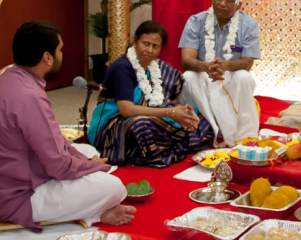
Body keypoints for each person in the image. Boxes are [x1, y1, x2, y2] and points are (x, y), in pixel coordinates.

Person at [0, 21, 133, 231]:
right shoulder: (29, 96)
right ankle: (94, 213)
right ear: (47, 57)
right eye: (60, 50)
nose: (61, 55)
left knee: (85, 150)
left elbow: (52, 143)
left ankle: (90, 208)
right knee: (113, 187)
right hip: (13, 197)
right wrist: (95, 166)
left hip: (2, 180)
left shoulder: (7, 76)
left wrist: (85, 160)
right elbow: (58, 166)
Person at [88, 20, 215, 167]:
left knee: (201, 118)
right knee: (140, 125)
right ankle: (161, 146)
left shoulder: (156, 66)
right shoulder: (122, 68)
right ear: (135, 42)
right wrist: (171, 113)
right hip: (112, 123)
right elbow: (126, 110)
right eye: (145, 43)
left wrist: (182, 111)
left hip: (148, 113)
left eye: (155, 46)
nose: (149, 50)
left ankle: (159, 145)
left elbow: (169, 99)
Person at [179, 0, 261, 146]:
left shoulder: (249, 25)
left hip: (230, 76)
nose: (223, 3)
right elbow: (187, 60)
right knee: (187, 77)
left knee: (245, 77)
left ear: (239, 5)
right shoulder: (196, 21)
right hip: (203, 73)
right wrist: (206, 67)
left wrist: (224, 66)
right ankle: (204, 129)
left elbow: (247, 63)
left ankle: (245, 137)